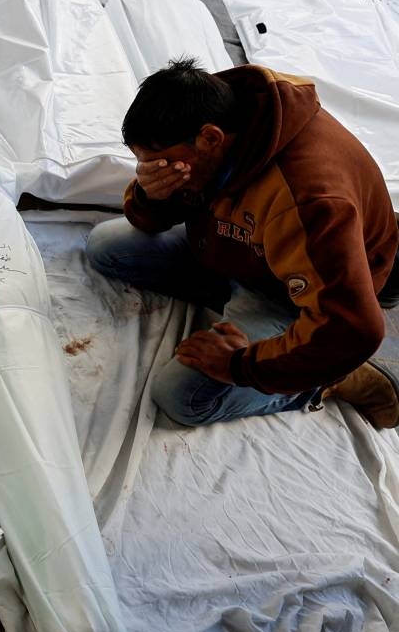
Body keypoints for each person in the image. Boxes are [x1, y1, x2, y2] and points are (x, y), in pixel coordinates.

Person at [86, 58, 399, 428]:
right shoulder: (217, 114)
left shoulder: (309, 199)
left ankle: (330, 380)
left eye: (163, 164)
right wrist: (152, 195)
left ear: (210, 138)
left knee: (180, 396)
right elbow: (155, 217)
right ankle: (230, 298)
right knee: (107, 246)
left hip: (289, 292)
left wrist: (240, 365)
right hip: (239, 252)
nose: (156, 171)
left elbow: (354, 328)